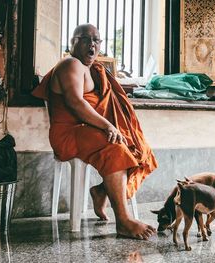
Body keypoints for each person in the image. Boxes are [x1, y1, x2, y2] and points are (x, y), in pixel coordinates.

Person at [32, 24, 158, 240]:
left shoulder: (94, 70)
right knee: (114, 148)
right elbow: (75, 103)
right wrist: (108, 126)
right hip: (69, 133)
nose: (92, 44)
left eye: (97, 40)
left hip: (86, 130)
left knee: (136, 148)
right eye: (86, 39)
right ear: (73, 42)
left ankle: (101, 191)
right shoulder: (70, 64)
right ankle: (123, 221)